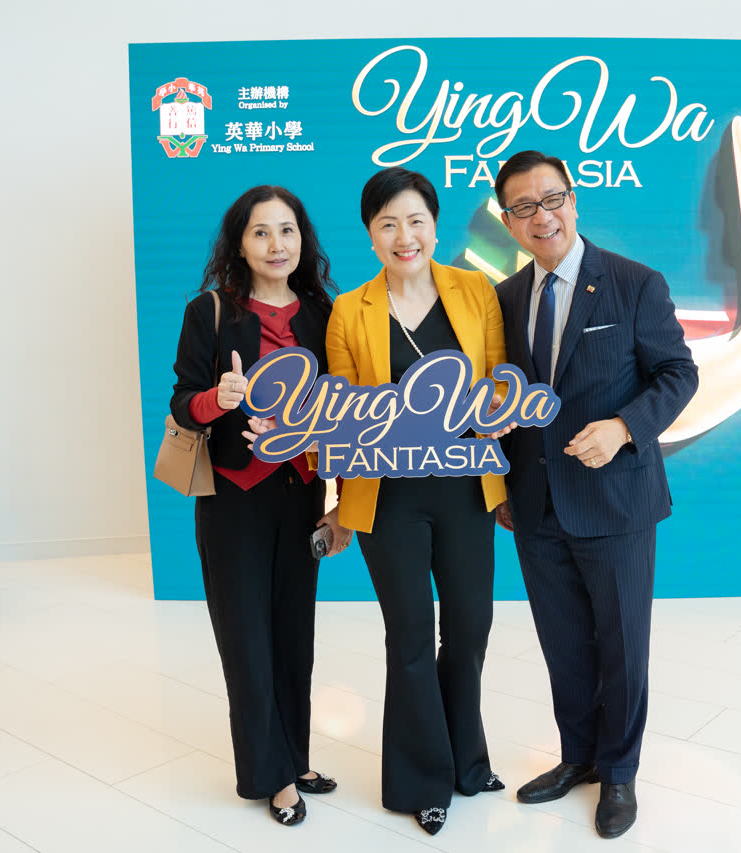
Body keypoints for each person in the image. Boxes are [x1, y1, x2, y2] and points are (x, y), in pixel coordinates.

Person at [491, 151, 698, 839]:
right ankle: (577, 756)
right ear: (508, 221)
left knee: (622, 645)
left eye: (552, 199)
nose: (542, 215)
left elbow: (678, 373)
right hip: (535, 504)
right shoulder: (504, 299)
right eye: (524, 206)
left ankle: (619, 772)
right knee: (564, 644)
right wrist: (500, 485)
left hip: (616, 500)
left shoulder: (634, 283)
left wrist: (624, 427)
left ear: (573, 201)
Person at [325, 166, 507, 836]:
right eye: (388, 224)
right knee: (408, 637)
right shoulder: (350, 310)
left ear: (434, 225)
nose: (405, 236)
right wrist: (336, 502)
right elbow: (340, 415)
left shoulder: (475, 290)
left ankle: (467, 762)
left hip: (466, 490)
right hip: (388, 500)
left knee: (470, 627)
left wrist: (490, 415)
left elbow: (500, 383)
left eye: (416, 221)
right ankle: (422, 780)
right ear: (371, 235)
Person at [169, 185, 352, 827]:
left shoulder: (323, 313)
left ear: (304, 239)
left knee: (294, 637)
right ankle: (270, 777)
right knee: (247, 640)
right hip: (233, 500)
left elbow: (342, 413)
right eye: (261, 232)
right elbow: (182, 402)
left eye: (288, 230)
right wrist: (216, 400)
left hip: (302, 496)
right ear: (240, 244)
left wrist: (340, 501)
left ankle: (294, 758)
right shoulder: (211, 311)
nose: (277, 245)